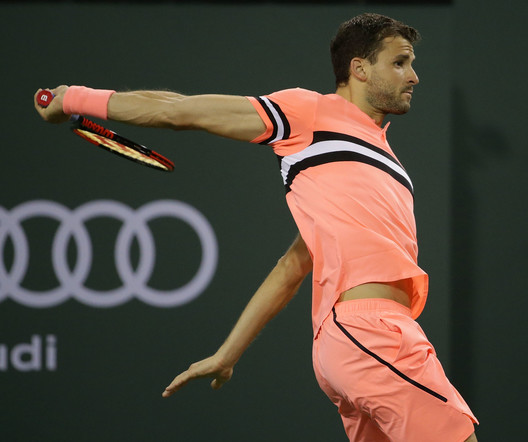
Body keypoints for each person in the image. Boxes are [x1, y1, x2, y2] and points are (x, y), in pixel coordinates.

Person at [34, 12, 478, 442]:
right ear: (359, 69)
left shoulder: (381, 159)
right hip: (369, 334)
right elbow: (179, 110)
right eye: (400, 62)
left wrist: (229, 353)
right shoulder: (310, 113)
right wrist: (72, 98)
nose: (413, 75)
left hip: (351, 342)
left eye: (412, 64)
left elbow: (292, 265)